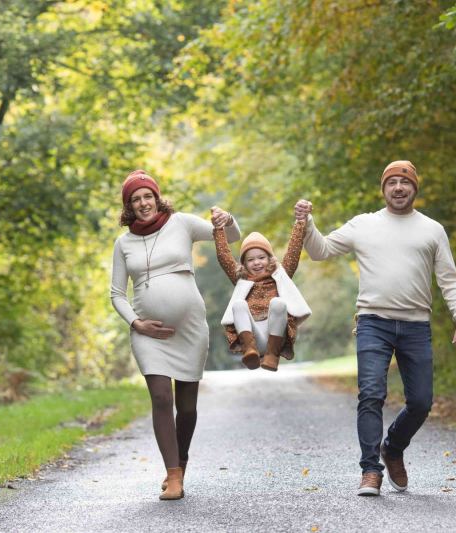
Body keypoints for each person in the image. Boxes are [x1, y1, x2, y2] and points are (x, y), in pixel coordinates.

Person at [294, 160, 456, 497]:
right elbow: (320, 251)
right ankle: (370, 470)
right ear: (384, 189)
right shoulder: (364, 225)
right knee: (371, 394)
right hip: (373, 322)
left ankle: (392, 447)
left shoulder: (432, 229)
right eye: (391, 183)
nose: (398, 188)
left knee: (421, 402)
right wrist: (307, 223)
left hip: (416, 325)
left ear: (414, 189)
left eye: (404, 183)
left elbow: (449, 279)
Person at [110, 169, 240, 500]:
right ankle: (173, 476)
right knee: (160, 397)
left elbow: (230, 237)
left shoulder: (181, 223)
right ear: (129, 206)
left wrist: (229, 219)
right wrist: (136, 323)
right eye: (135, 199)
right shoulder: (123, 243)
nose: (143, 203)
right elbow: (116, 294)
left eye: (147, 196)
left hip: (189, 327)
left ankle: (180, 463)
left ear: (156, 197)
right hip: (148, 332)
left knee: (188, 406)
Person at [213, 214, 311, 371]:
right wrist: (218, 228)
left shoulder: (280, 275)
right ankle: (250, 351)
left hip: (276, 335)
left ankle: (272, 357)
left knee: (278, 303)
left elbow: (294, 249)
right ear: (244, 263)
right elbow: (223, 256)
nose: (257, 262)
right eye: (250, 260)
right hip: (252, 336)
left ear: (270, 259)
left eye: (261, 257)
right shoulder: (241, 279)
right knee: (238, 305)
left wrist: (301, 221)